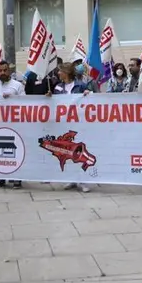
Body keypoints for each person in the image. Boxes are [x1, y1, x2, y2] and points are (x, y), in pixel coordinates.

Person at [50, 62, 94, 193]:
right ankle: (72, 179)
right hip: (64, 123)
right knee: (68, 151)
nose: (58, 73)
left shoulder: (80, 85)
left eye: (60, 71)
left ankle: (83, 180)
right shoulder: (58, 87)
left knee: (81, 151)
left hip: (79, 122)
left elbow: (91, 100)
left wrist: (88, 94)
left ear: (67, 72)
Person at [0, 61, 26, 189]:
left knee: (15, 151)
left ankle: (17, 178)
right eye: (0, 70)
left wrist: (13, 98)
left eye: (5, 70)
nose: (2, 73)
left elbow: (26, 102)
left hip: (14, 124)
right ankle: (1, 177)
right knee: (0, 152)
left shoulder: (17, 85)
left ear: (9, 71)